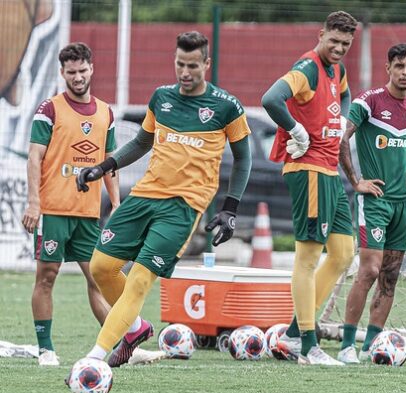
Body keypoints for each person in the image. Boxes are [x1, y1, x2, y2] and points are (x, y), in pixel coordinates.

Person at [73, 31, 252, 368]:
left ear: (206, 65)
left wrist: (231, 208)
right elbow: (142, 142)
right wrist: (105, 166)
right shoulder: (161, 98)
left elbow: (243, 158)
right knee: (101, 267)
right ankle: (136, 328)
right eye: (180, 64)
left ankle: (94, 359)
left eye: (193, 66)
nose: (185, 72)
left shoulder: (227, 106)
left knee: (140, 279)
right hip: (144, 195)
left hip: (184, 206)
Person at [262, 11, 358, 366]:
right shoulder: (306, 68)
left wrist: (343, 118)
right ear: (321, 35)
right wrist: (296, 130)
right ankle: (307, 345)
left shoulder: (339, 70)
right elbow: (271, 98)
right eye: (333, 41)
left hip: (329, 171)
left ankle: (291, 333)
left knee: (344, 253)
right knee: (307, 258)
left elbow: (344, 95)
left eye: (346, 44)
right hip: (309, 169)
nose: (338, 48)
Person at [21, 42, 119, 366]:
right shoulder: (48, 110)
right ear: (63, 73)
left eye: (82, 70)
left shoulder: (106, 112)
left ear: (92, 68)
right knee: (47, 276)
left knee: (98, 278)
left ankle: (120, 345)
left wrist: (116, 203)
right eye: (71, 72)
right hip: (53, 210)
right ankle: (46, 349)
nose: (77, 77)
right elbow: (34, 158)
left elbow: (110, 162)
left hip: (88, 214)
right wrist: (33, 203)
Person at [337, 43, 406, 363]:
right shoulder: (369, 102)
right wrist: (355, 181)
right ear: (387, 67)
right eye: (400, 66)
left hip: (403, 204)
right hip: (374, 201)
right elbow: (341, 139)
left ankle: (372, 346)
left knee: (390, 276)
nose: (405, 72)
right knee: (370, 271)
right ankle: (347, 345)